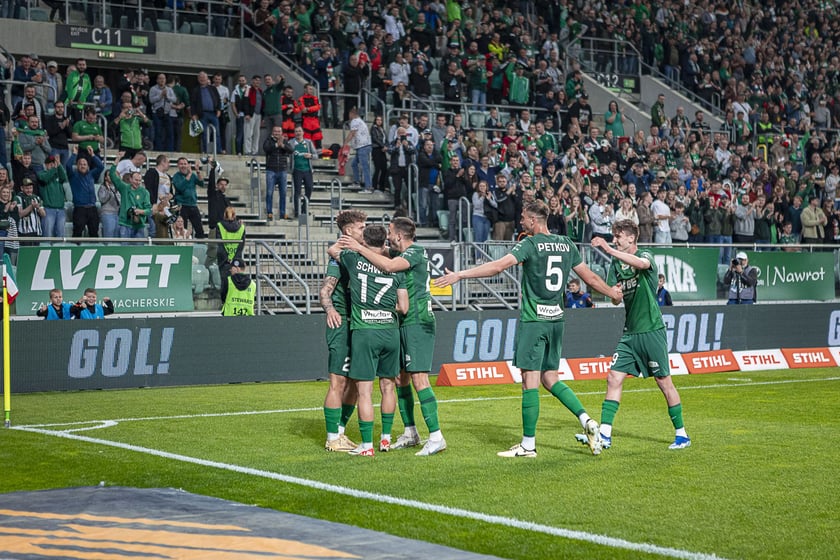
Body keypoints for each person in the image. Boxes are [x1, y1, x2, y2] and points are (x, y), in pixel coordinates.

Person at [435, 201, 622, 458]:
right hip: (557, 320)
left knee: (529, 381)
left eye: (523, 218)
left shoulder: (529, 244)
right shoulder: (566, 243)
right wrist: (612, 292)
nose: (521, 221)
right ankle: (587, 421)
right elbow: (589, 278)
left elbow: (498, 267)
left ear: (534, 220)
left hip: (535, 320)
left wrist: (460, 275)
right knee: (550, 378)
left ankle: (528, 445)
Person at [338, 217, 447, 456]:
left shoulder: (414, 253)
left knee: (419, 379)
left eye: (390, 232)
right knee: (400, 379)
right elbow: (381, 253)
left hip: (417, 321)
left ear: (398, 236)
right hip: (402, 323)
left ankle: (436, 436)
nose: (387, 237)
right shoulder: (403, 252)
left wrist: (358, 248)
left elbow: (388, 266)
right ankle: (410, 432)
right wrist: (367, 245)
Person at [589, 220, 690, 451]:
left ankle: (682, 434)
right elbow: (616, 298)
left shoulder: (645, 255)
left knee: (663, 382)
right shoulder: (616, 263)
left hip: (651, 330)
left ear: (631, 238)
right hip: (630, 333)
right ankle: (605, 434)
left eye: (619, 236)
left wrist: (608, 249)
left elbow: (642, 264)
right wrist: (613, 294)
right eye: (614, 237)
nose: (615, 240)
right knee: (613, 377)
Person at [328, 225, 409, 457]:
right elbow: (404, 307)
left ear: (364, 240)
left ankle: (366, 445)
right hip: (390, 331)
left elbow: (332, 250)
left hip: (365, 331)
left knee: (364, 391)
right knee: (388, 387)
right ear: (385, 242)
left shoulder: (353, 259)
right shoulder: (396, 267)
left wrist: (355, 246)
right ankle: (385, 439)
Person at [320, 209, 367, 452]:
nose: (364, 231)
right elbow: (325, 291)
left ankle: (339, 431)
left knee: (356, 383)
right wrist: (330, 310)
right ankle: (331, 438)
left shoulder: (354, 254)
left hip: (358, 324)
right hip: (341, 323)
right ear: (348, 230)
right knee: (338, 381)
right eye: (361, 227)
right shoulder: (338, 260)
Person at [109, 159, 151, 240]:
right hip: (125, 224)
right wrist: (117, 160)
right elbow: (112, 175)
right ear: (130, 179)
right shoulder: (124, 188)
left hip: (139, 226)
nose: (138, 182)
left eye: (139, 181)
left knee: (138, 248)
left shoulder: (145, 192)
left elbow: (149, 210)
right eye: (136, 180)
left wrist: (140, 211)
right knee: (125, 247)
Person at [67, 146, 104, 238]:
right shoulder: (73, 176)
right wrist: (74, 154)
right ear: (77, 165)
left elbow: (101, 166)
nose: (83, 166)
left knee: (94, 233)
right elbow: (68, 165)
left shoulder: (91, 174)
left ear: (88, 166)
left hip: (92, 208)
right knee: (77, 233)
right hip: (80, 209)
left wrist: (93, 155)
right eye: (80, 164)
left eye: (85, 164)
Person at [172, 157, 206, 238]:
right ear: (178, 165)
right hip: (181, 205)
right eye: (181, 164)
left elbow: (202, 183)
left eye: (185, 164)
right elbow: (180, 187)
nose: (183, 166)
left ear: (188, 165)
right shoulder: (176, 176)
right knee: (182, 229)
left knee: (199, 229)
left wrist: (198, 171)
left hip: (193, 204)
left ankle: (201, 244)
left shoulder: (193, 175)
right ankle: (183, 244)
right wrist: (189, 175)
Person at [263, 125, 292, 220]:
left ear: (281, 132)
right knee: (269, 192)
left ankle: (282, 213)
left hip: (282, 170)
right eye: (275, 131)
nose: (277, 133)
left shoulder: (285, 141)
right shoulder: (268, 140)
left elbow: (291, 150)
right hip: (271, 170)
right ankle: (269, 212)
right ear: (272, 132)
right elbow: (266, 149)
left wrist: (282, 145)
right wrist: (276, 145)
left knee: (283, 193)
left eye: (279, 131)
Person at [289, 126, 318, 218]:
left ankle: (304, 208)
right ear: (294, 133)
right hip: (297, 170)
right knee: (297, 190)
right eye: (296, 131)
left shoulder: (308, 142)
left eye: (300, 131)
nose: (298, 133)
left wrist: (311, 156)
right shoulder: (291, 143)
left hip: (307, 170)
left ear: (303, 132)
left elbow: (316, 155)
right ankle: (297, 211)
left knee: (309, 188)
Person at [38, 155, 68, 239]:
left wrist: (59, 165)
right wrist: (54, 168)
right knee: (47, 234)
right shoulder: (41, 174)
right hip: (48, 209)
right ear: (45, 165)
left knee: (61, 235)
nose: (52, 165)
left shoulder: (58, 175)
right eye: (50, 163)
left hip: (60, 209)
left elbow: (64, 177)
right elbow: (45, 178)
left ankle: (59, 247)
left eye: (53, 163)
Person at [346, 107, 372, 193]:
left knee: (364, 166)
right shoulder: (360, 121)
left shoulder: (355, 121)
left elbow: (352, 133)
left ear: (352, 114)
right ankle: (356, 182)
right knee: (354, 164)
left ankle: (368, 187)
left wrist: (345, 143)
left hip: (362, 146)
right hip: (363, 146)